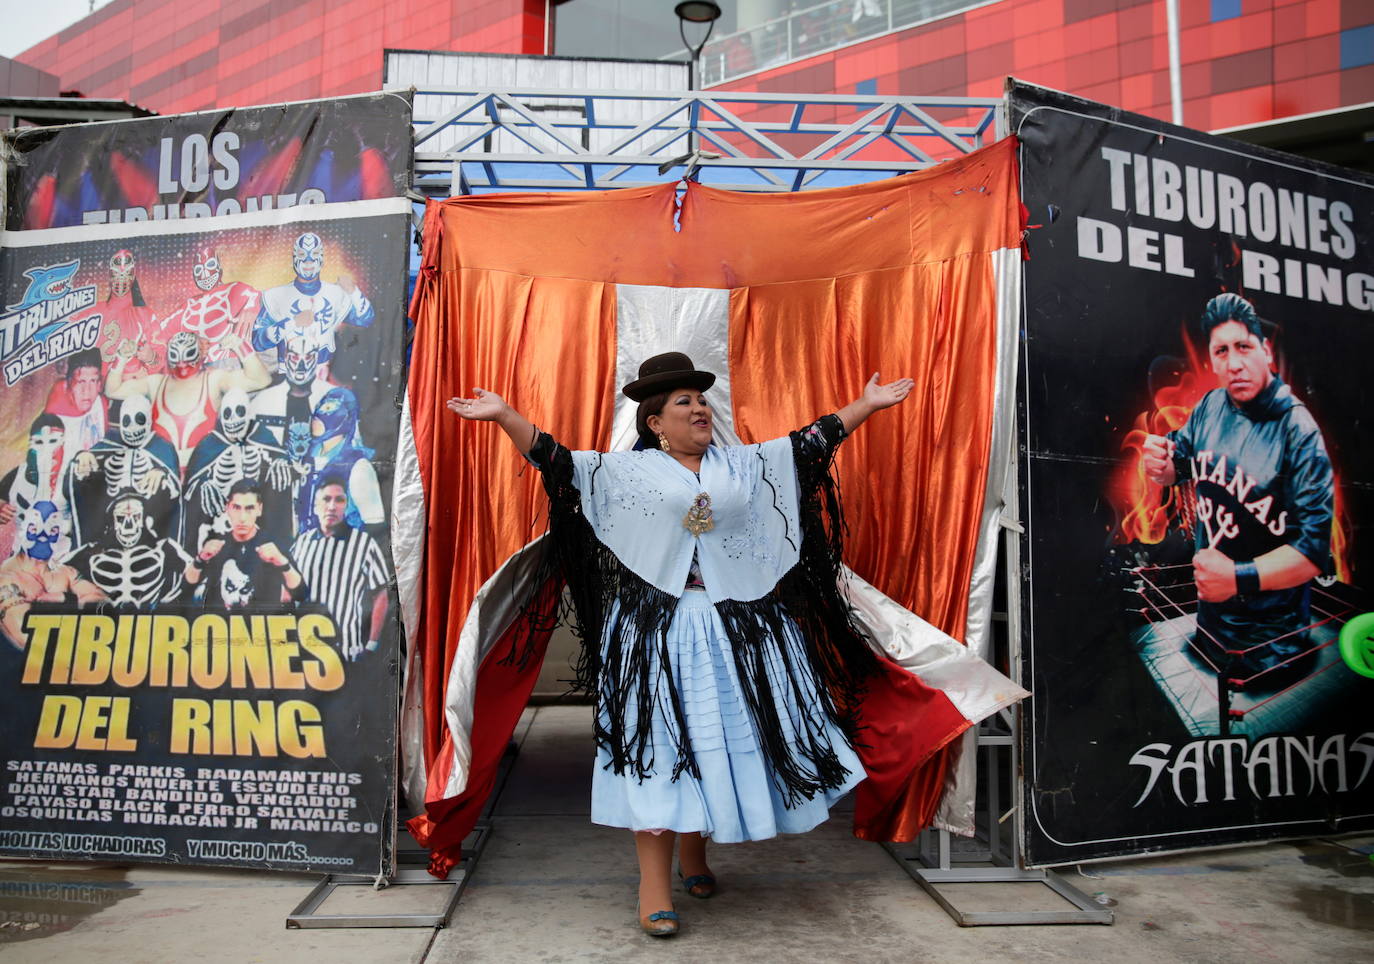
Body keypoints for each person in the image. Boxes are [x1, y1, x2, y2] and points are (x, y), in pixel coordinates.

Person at [447, 351, 912, 937]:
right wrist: (506, 415)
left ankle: (695, 854)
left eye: (701, 400)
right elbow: (558, 461)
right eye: (683, 403)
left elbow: (807, 445)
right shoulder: (627, 473)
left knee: (711, 747)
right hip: (656, 634)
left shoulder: (742, 465)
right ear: (655, 424)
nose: (699, 409)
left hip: (736, 631)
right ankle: (654, 887)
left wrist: (865, 406)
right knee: (662, 753)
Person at [1141, 293, 1333, 681]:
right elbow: (1177, 464)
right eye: (1223, 351)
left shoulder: (1298, 430)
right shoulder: (1212, 406)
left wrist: (1238, 577)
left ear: (1264, 351)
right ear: (1212, 361)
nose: (1235, 363)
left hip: (1275, 652)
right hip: (1210, 635)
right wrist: (1159, 463)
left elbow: (1313, 553)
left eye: (1243, 347)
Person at [290, 473, 390, 661]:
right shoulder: (302, 543)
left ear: (346, 505)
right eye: (326, 499)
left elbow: (381, 595)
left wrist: (371, 643)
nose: (332, 506)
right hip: (302, 652)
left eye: (339, 500)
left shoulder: (363, 544)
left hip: (346, 652)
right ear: (315, 505)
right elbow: (288, 592)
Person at [184, 478, 304, 610]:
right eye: (236, 507)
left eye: (249, 508)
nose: (242, 517)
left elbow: (300, 593)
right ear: (227, 508)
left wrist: (282, 563)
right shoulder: (217, 544)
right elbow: (187, 587)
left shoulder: (274, 546)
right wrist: (200, 560)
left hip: (260, 627)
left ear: (259, 509)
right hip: (221, 627)